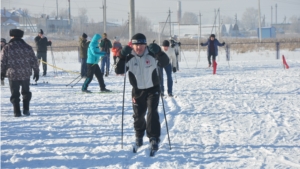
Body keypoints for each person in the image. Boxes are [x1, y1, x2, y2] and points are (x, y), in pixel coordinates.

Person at [115, 33, 169, 151]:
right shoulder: (129, 57)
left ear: (145, 45)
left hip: (153, 88)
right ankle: (139, 136)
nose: (138, 47)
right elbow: (118, 70)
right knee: (138, 115)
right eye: (136, 45)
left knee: (152, 112)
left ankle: (153, 137)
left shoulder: (152, 54)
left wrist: (159, 52)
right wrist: (122, 56)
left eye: (141, 45)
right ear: (132, 46)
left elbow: (165, 62)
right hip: (137, 90)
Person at [1, 29, 39, 117]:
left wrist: (2, 72)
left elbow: (2, 61)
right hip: (25, 74)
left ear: (12, 36)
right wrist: (36, 72)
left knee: (15, 93)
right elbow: (34, 60)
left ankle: (16, 112)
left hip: (12, 74)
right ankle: (26, 110)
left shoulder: (7, 47)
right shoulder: (28, 47)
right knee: (26, 92)